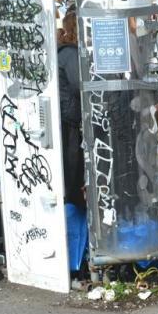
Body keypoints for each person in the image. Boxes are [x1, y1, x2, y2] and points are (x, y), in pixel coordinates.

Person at [57, 11, 84, 207]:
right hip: (71, 118)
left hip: (67, 115)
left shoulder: (64, 51)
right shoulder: (71, 54)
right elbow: (78, 85)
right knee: (73, 171)